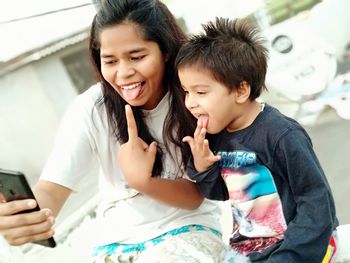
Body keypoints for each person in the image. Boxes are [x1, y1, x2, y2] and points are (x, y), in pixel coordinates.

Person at [0, 1, 228, 262]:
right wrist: (24, 216)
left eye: (137, 57)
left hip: (189, 231)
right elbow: (52, 190)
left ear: (164, 50)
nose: (123, 73)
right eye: (110, 60)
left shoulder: (195, 97)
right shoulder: (91, 108)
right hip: (116, 246)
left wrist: (143, 181)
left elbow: (195, 197)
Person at [175, 17, 339, 262]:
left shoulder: (281, 135)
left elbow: (316, 201)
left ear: (241, 90)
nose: (190, 102)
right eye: (187, 92)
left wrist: (289, 256)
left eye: (200, 92)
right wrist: (203, 167)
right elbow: (222, 193)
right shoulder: (218, 137)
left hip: (298, 248)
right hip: (249, 250)